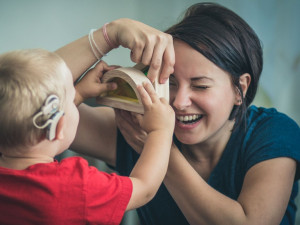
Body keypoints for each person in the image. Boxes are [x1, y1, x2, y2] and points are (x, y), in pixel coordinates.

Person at [63, 3, 300, 225]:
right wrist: (107, 36)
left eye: (200, 86)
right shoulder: (133, 127)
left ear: (241, 89)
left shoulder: (274, 133)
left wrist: (159, 147)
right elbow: (31, 107)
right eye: (170, 82)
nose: (179, 102)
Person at [0, 48, 175, 225]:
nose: (76, 100)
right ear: (59, 125)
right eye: (72, 99)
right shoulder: (75, 186)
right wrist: (160, 130)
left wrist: (80, 93)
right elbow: (143, 188)